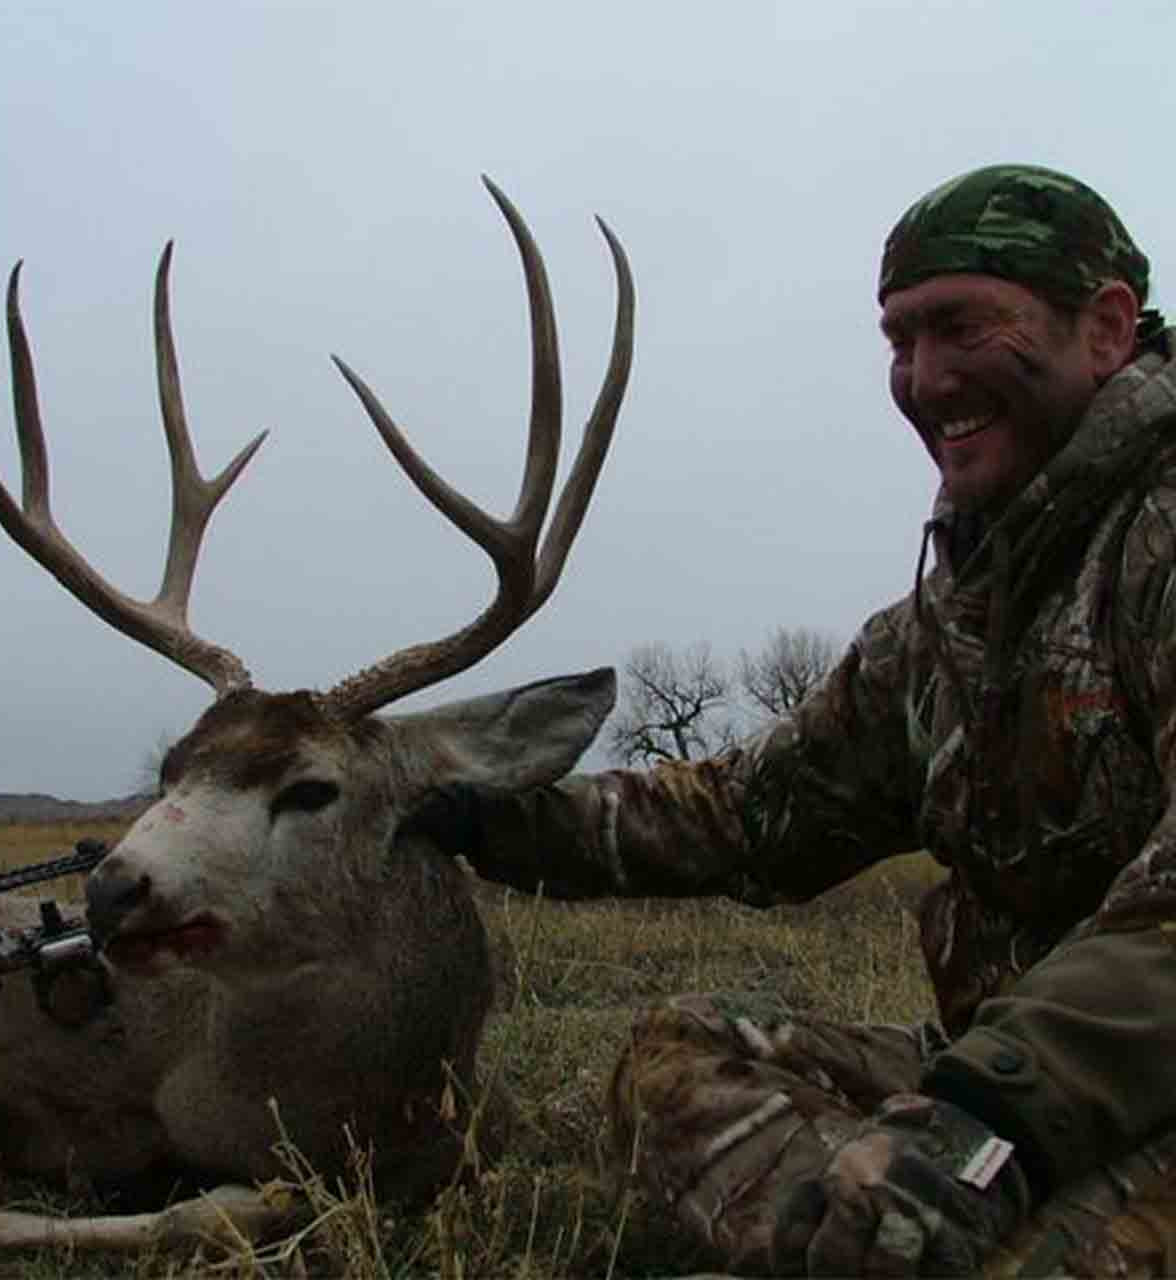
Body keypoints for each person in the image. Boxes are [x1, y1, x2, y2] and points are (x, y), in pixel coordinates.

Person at [442, 165, 1176, 1276]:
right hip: (1003, 1092)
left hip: (1076, 1094)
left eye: (958, 325)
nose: (923, 379)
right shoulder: (947, 620)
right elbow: (753, 809)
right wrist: (478, 818)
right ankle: (861, 1237)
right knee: (678, 1054)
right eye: (896, 339)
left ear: (1106, 327)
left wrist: (989, 1120)